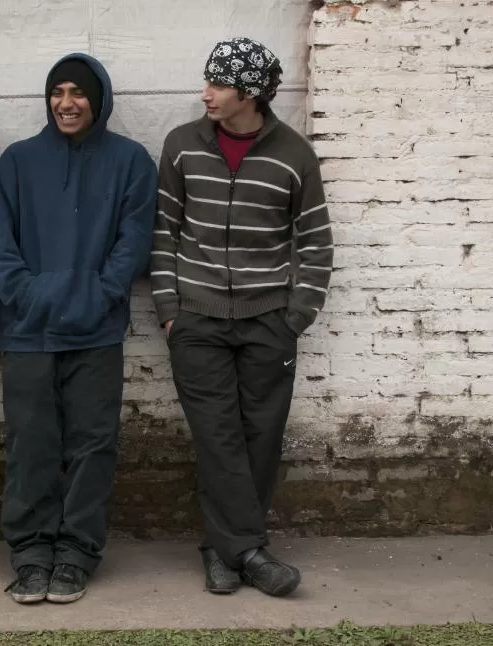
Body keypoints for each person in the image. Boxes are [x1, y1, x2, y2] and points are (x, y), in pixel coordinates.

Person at [150, 37, 334, 597]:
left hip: (269, 320)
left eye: (219, 84)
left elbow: (317, 242)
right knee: (217, 436)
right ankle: (251, 553)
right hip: (197, 322)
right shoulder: (181, 146)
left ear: (249, 92)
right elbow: (164, 232)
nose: (205, 93)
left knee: (262, 435)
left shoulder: (294, 154)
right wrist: (170, 311)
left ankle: (223, 552)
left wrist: (295, 315)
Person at [0, 53, 157, 604]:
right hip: (27, 332)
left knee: (92, 446)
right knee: (31, 446)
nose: (67, 102)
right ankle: (32, 555)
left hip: (97, 331)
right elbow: (1, 253)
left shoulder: (131, 163)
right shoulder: (16, 162)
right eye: (57, 91)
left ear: (99, 99)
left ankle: (77, 554)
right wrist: (35, 297)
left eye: (78, 92)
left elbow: (132, 246)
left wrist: (96, 296)